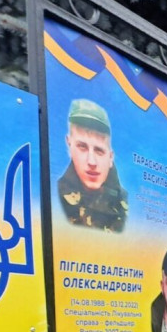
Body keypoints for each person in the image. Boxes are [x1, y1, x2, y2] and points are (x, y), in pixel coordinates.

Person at [57, 99, 128, 232]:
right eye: (82, 147)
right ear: (69, 145)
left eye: (99, 150)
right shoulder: (54, 196)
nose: (92, 162)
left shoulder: (126, 205)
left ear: (111, 157)